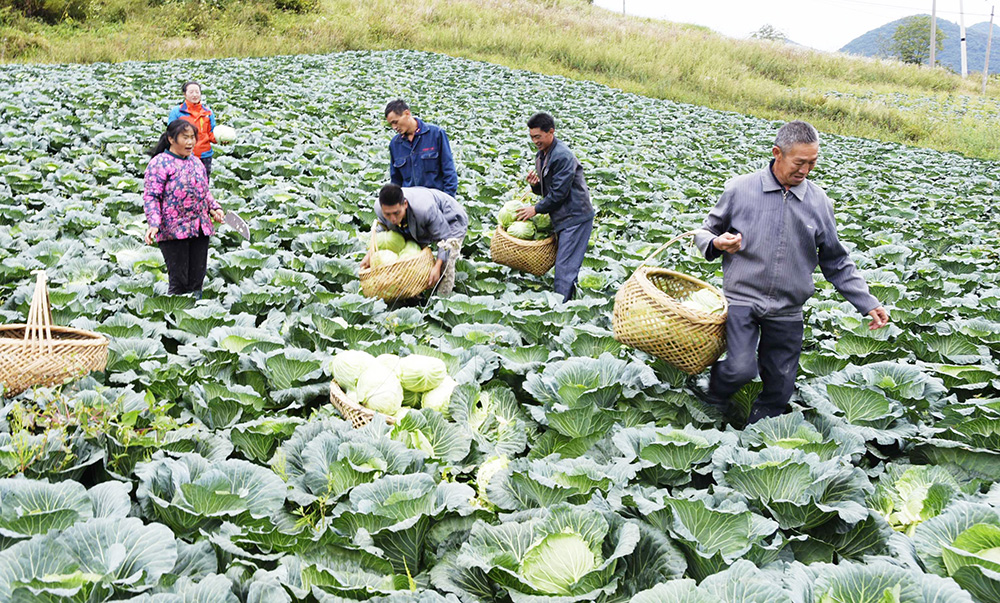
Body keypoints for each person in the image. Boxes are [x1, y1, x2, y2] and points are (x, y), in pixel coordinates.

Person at [693, 120, 890, 424]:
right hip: (742, 298)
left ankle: (758, 436)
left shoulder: (819, 202)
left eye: (813, 163)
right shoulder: (740, 189)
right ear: (777, 153)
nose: (806, 171)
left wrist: (868, 303)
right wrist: (717, 242)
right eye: (800, 162)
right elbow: (705, 232)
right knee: (741, 368)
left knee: (781, 385)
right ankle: (713, 397)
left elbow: (836, 260)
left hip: (788, 307)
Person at [514, 112, 595, 302]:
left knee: (565, 267)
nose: (535, 141)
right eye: (532, 137)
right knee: (565, 265)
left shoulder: (563, 156)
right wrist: (535, 185)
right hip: (562, 217)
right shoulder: (542, 155)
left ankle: (561, 310)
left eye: (538, 136)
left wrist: (535, 209)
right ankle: (568, 302)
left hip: (575, 218)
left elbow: (559, 193)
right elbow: (548, 190)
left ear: (551, 132)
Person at [143, 119, 224, 298]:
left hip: (199, 228)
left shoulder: (196, 162)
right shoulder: (160, 163)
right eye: (185, 138)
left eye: (192, 138)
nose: (190, 142)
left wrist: (214, 208)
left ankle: (195, 311)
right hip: (173, 230)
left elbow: (204, 191)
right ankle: (175, 317)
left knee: (197, 278)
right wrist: (154, 223)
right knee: (179, 280)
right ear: (172, 139)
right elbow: (152, 196)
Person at [362, 184, 468, 296]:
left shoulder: (424, 209)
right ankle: (412, 295)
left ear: (405, 204)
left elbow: (445, 236)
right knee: (411, 256)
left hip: (451, 220)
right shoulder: (380, 208)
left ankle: (443, 300)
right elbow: (381, 228)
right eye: (388, 214)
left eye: (396, 213)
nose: (393, 219)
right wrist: (370, 254)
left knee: (446, 263)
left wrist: (437, 266)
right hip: (420, 222)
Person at [385, 99, 458, 198]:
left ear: (407, 113)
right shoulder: (395, 144)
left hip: (435, 201)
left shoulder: (436, 134)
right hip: (409, 203)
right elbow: (396, 180)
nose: (394, 127)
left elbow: (449, 172)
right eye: (391, 124)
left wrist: (447, 201)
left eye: (395, 122)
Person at [168, 81, 217, 177]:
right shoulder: (177, 112)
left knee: (203, 185)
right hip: (183, 155)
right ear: (184, 94)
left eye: (197, 92)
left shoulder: (208, 112)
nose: (194, 95)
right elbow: (171, 133)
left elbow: (211, 134)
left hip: (204, 155)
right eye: (191, 92)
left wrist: (221, 139)